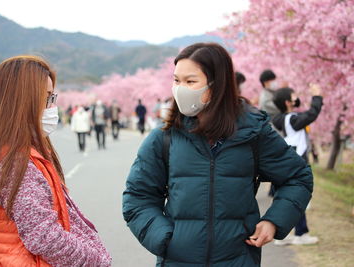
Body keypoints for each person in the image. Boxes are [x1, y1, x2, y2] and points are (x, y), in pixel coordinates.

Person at [122, 43, 313, 266]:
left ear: (216, 85)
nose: (180, 88)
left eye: (190, 81)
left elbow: (298, 177)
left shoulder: (253, 133)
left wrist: (274, 221)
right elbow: (137, 197)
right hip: (178, 260)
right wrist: (165, 239)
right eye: (176, 80)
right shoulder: (164, 138)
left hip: (238, 259)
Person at [0, 56, 111, 266]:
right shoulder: (14, 162)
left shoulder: (6, 150)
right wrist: (97, 260)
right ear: (21, 100)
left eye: (53, 97)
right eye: (46, 98)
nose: (52, 107)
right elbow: (44, 236)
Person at [272, 84, 323, 245]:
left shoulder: (280, 119)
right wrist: (317, 97)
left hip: (286, 164)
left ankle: (283, 235)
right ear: (288, 102)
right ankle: (301, 234)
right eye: (294, 96)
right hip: (296, 165)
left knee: (288, 199)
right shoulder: (292, 119)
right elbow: (311, 114)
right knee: (298, 198)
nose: (297, 99)